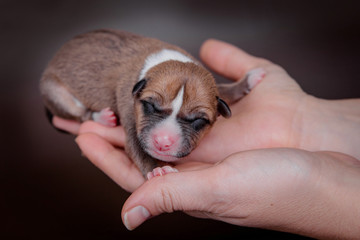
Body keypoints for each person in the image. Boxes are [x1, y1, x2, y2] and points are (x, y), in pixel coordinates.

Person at [53, 39, 360, 239]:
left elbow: (203, 91)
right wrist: (151, 168)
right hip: (61, 84)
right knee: (63, 99)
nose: (165, 139)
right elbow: (134, 136)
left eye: (196, 121)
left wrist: (238, 88)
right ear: (138, 91)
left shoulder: (184, 72)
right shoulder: (133, 85)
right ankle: (85, 115)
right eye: (151, 108)